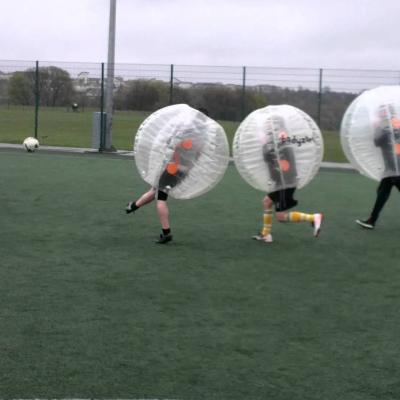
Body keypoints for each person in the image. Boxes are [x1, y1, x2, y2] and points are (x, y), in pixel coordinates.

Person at [126, 108, 208, 244]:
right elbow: (197, 155)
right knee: (156, 189)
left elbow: (174, 146)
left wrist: (173, 159)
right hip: (184, 170)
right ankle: (133, 206)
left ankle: (166, 232)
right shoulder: (203, 136)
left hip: (173, 168)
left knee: (161, 197)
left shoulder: (188, 132)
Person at [253, 115, 323, 243]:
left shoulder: (282, 137)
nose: (267, 126)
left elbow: (276, 159)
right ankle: (266, 234)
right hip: (283, 181)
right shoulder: (277, 139)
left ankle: (313, 217)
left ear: (277, 125)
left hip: (286, 182)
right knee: (267, 202)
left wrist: (264, 145)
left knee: (281, 216)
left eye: (270, 123)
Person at [356, 104, 400, 229]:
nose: (379, 114)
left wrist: (377, 128)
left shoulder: (386, 126)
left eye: (381, 112)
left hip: (395, 167)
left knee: (382, 193)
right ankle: (371, 220)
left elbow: (377, 142)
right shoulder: (395, 123)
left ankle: (371, 220)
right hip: (392, 167)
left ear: (386, 112)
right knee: (382, 192)